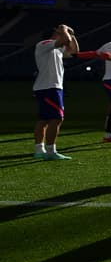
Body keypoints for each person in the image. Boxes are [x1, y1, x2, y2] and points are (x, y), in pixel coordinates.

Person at [32, 23, 78, 161]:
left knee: (44, 120)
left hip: (47, 87)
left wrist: (72, 34)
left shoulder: (56, 48)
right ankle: (51, 151)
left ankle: (39, 150)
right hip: (50, 87)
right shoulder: (45, 43)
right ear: (55, 34)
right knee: (57, 118)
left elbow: (74, 51)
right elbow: (66, 40)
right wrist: (64, 29)